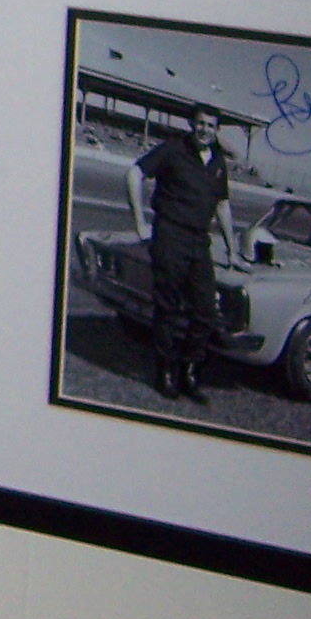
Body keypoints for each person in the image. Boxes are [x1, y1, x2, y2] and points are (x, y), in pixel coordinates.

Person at [127, 106, 235, 403]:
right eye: (200, 124)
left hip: (199, 242)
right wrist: (139, 222)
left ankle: (189, 372)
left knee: (206, 310)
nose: (204, 130)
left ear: (217, 130)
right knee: (168, 307)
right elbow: (134, 173)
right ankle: (165, 372)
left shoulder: (218, 161)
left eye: (210, 126)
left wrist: (233, 249)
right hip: (170, 236)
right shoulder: (173, 150)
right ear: (191, 124)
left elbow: (222, 205)